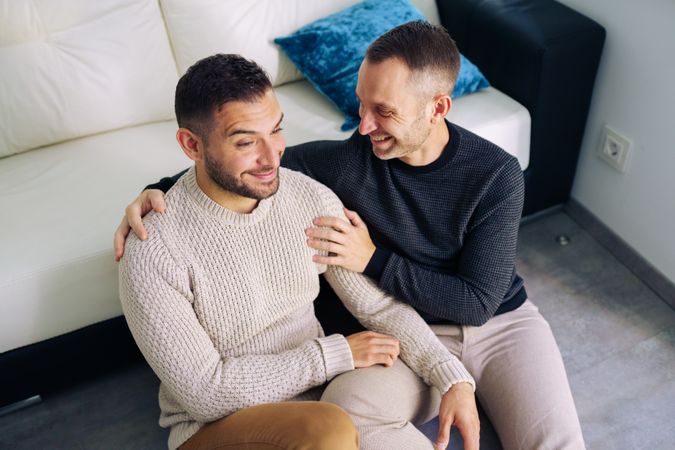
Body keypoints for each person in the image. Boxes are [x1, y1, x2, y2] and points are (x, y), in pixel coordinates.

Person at [116, 22, 585, 449]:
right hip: (379, 347)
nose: (363, 126)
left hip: (497, 322)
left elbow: (472, 303)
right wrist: (157, 191)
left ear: (437, 107)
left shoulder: (495, 174)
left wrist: (374, 263)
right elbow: (229, 175)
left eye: (382, 111)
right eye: (360, 104)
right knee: (345, 420)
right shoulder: (334, 168)